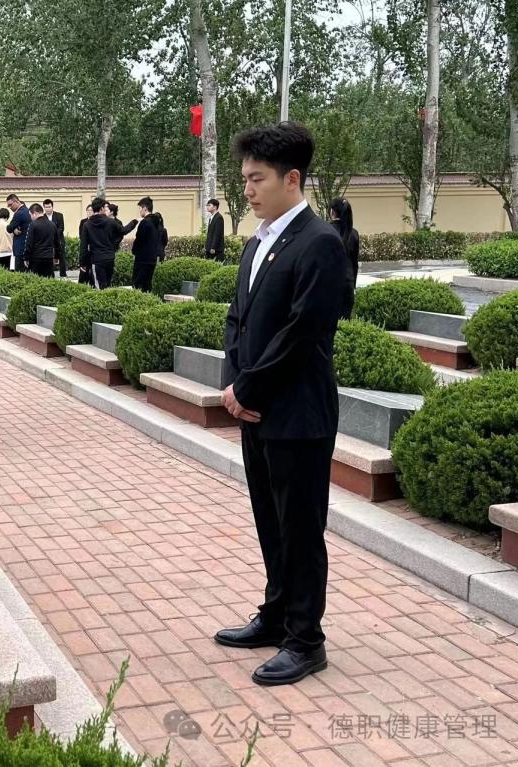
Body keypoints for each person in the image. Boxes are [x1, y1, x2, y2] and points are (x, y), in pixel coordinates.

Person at [217, 122, 347, 687]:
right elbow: (238, 321)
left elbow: (303, 332)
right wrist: (234, 384)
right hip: (257, 410)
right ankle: (276, 615)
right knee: (270, 521)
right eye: (244, 178)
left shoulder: (320, 243)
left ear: (292, 179)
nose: (247, 190)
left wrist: (249, 390)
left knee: (300, 529)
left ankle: (306, 639)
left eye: (257, 179)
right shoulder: (259, 241)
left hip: (297, 413)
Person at [79, 197, 125, 289]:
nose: (105, 209)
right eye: (105, 207)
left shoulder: (87, 224)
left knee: (99, 287)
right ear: (101, 209)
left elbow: (83, 246)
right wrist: (134, 222)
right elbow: (123, 231)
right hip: (109, 258)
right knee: (107, 285)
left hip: (97, 259)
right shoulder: (110, 221)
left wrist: (83, 263)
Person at [329, 197, 360, 319]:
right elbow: (354, 263)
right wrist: (353, 285)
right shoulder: (354, 233)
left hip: (329, 283)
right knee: (345, 320)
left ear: (332, 211)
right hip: (348, 283)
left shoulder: (325, 230)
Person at [131, 197, 165, 292]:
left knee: (138, 286)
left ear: (145, 208)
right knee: (147, 285)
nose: (139, 211)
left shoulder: (145, 223)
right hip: (152, 259)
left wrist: (134, 251)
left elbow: (139, 239)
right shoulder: (157, 223)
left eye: (140, 208)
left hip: (142, 259)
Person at [23, 204, 57, 277]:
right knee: (49, 280)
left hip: (36, 259)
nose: (31, 217)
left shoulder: (33, 225)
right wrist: (56, 257)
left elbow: (28, 243)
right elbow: (57, 243)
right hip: (49, 258)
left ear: (35, 213)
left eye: (30, 215)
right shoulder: (52, 224)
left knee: (36, 281)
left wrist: (26, 258)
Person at [5, 194, 31, 272]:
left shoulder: (19, 213)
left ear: (16, 201)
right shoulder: (28, 210)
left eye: (10, 205)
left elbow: (9, 228)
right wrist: (14, 229)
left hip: (20, 248)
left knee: (19, 273)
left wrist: (13, 229)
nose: (9, 207)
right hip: (28, 247)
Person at [43, 199, 66, 277]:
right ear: (44, 208)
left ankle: (63, 275)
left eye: (49, 207)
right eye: (46, 207)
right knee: (49, 259)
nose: (48, 209)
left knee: (62, 258)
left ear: (52, 207)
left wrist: (53, 235)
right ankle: (50, 275)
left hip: (59, 240)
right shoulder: (42, 217)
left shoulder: (59, 215)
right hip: (47, 242)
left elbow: (61, 228)